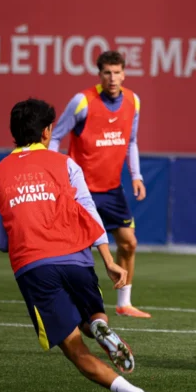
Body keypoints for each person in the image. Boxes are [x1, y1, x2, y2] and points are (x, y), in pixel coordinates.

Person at [0, 98, 154, 392]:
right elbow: (89, 212)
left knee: (75, 350)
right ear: (48, 131)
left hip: (35, 266)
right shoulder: (66, 164)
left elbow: (1, 241)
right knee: (92, 315)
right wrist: (108, 260)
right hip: (77, 258)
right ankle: (101, 327)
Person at [49, 50, 150, 318]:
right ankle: (66, 301)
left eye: (117, 72)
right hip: (82, 190)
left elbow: (131, 142)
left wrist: (136, 176)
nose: (113, 78)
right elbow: (56, 137)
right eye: (107, 72)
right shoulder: (82, 102)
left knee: (128, 243)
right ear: (100, 74)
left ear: (124, 73)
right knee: (75, 249)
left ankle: (124, 302)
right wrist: (57, 173)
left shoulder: (133, 101)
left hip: (112, 189)